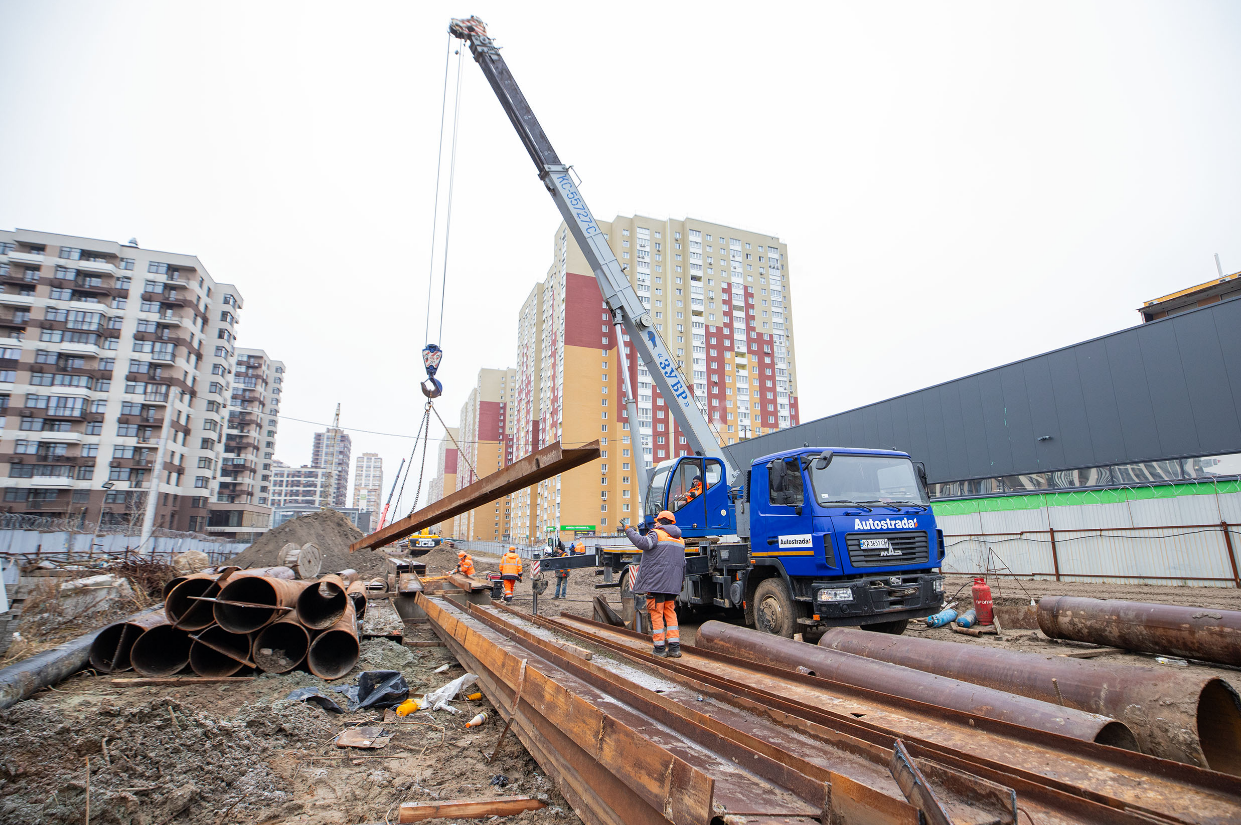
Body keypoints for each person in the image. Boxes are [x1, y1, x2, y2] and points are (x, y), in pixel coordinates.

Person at [624, 510, 686, 657]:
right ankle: (674, 648)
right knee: (670, 612)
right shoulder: (680, 540)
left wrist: (629, 531)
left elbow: (642, 543)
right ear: (672, 522)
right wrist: (681, 582)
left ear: (660, 521)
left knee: (657, 613)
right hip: (672, 584)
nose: (656, 523)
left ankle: (659, 649)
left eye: (657, 521)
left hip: (657, 584)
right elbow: (683, 564)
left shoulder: (656, 534)